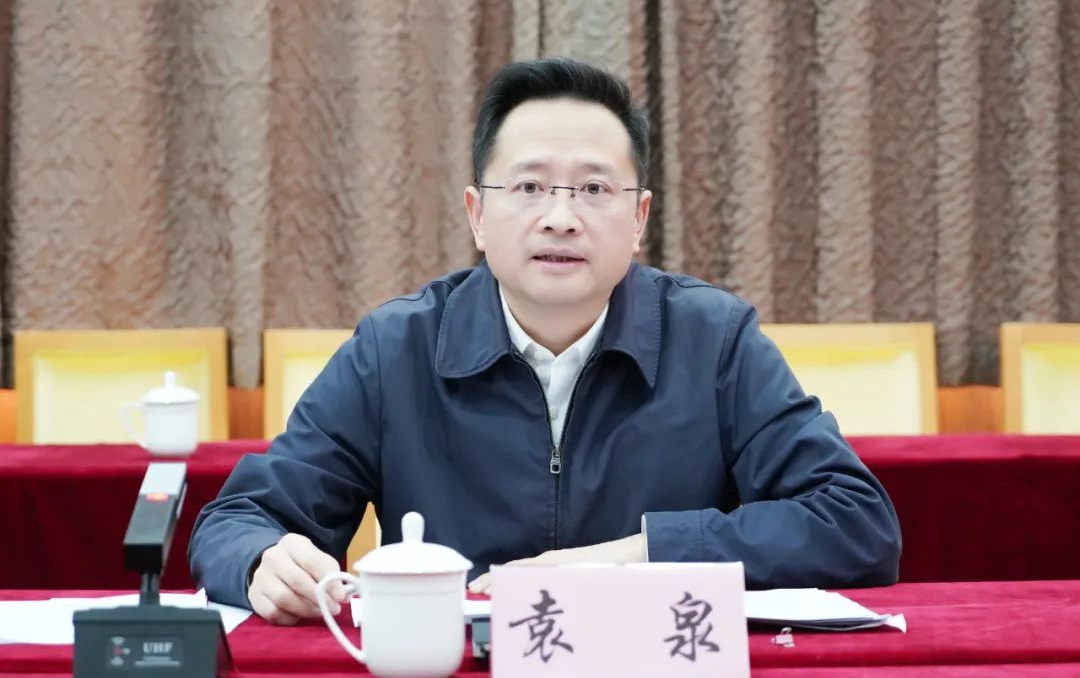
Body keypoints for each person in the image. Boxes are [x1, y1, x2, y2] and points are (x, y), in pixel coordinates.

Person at [189, 57, 901, 625]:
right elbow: (238, 519)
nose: (561, 217)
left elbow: (856, 522)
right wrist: (261, 560)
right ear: (477, 214)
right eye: (529, 188)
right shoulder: (396, 347)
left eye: (594, 190)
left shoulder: (713, 340)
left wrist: (636, 556)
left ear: (639, 219)